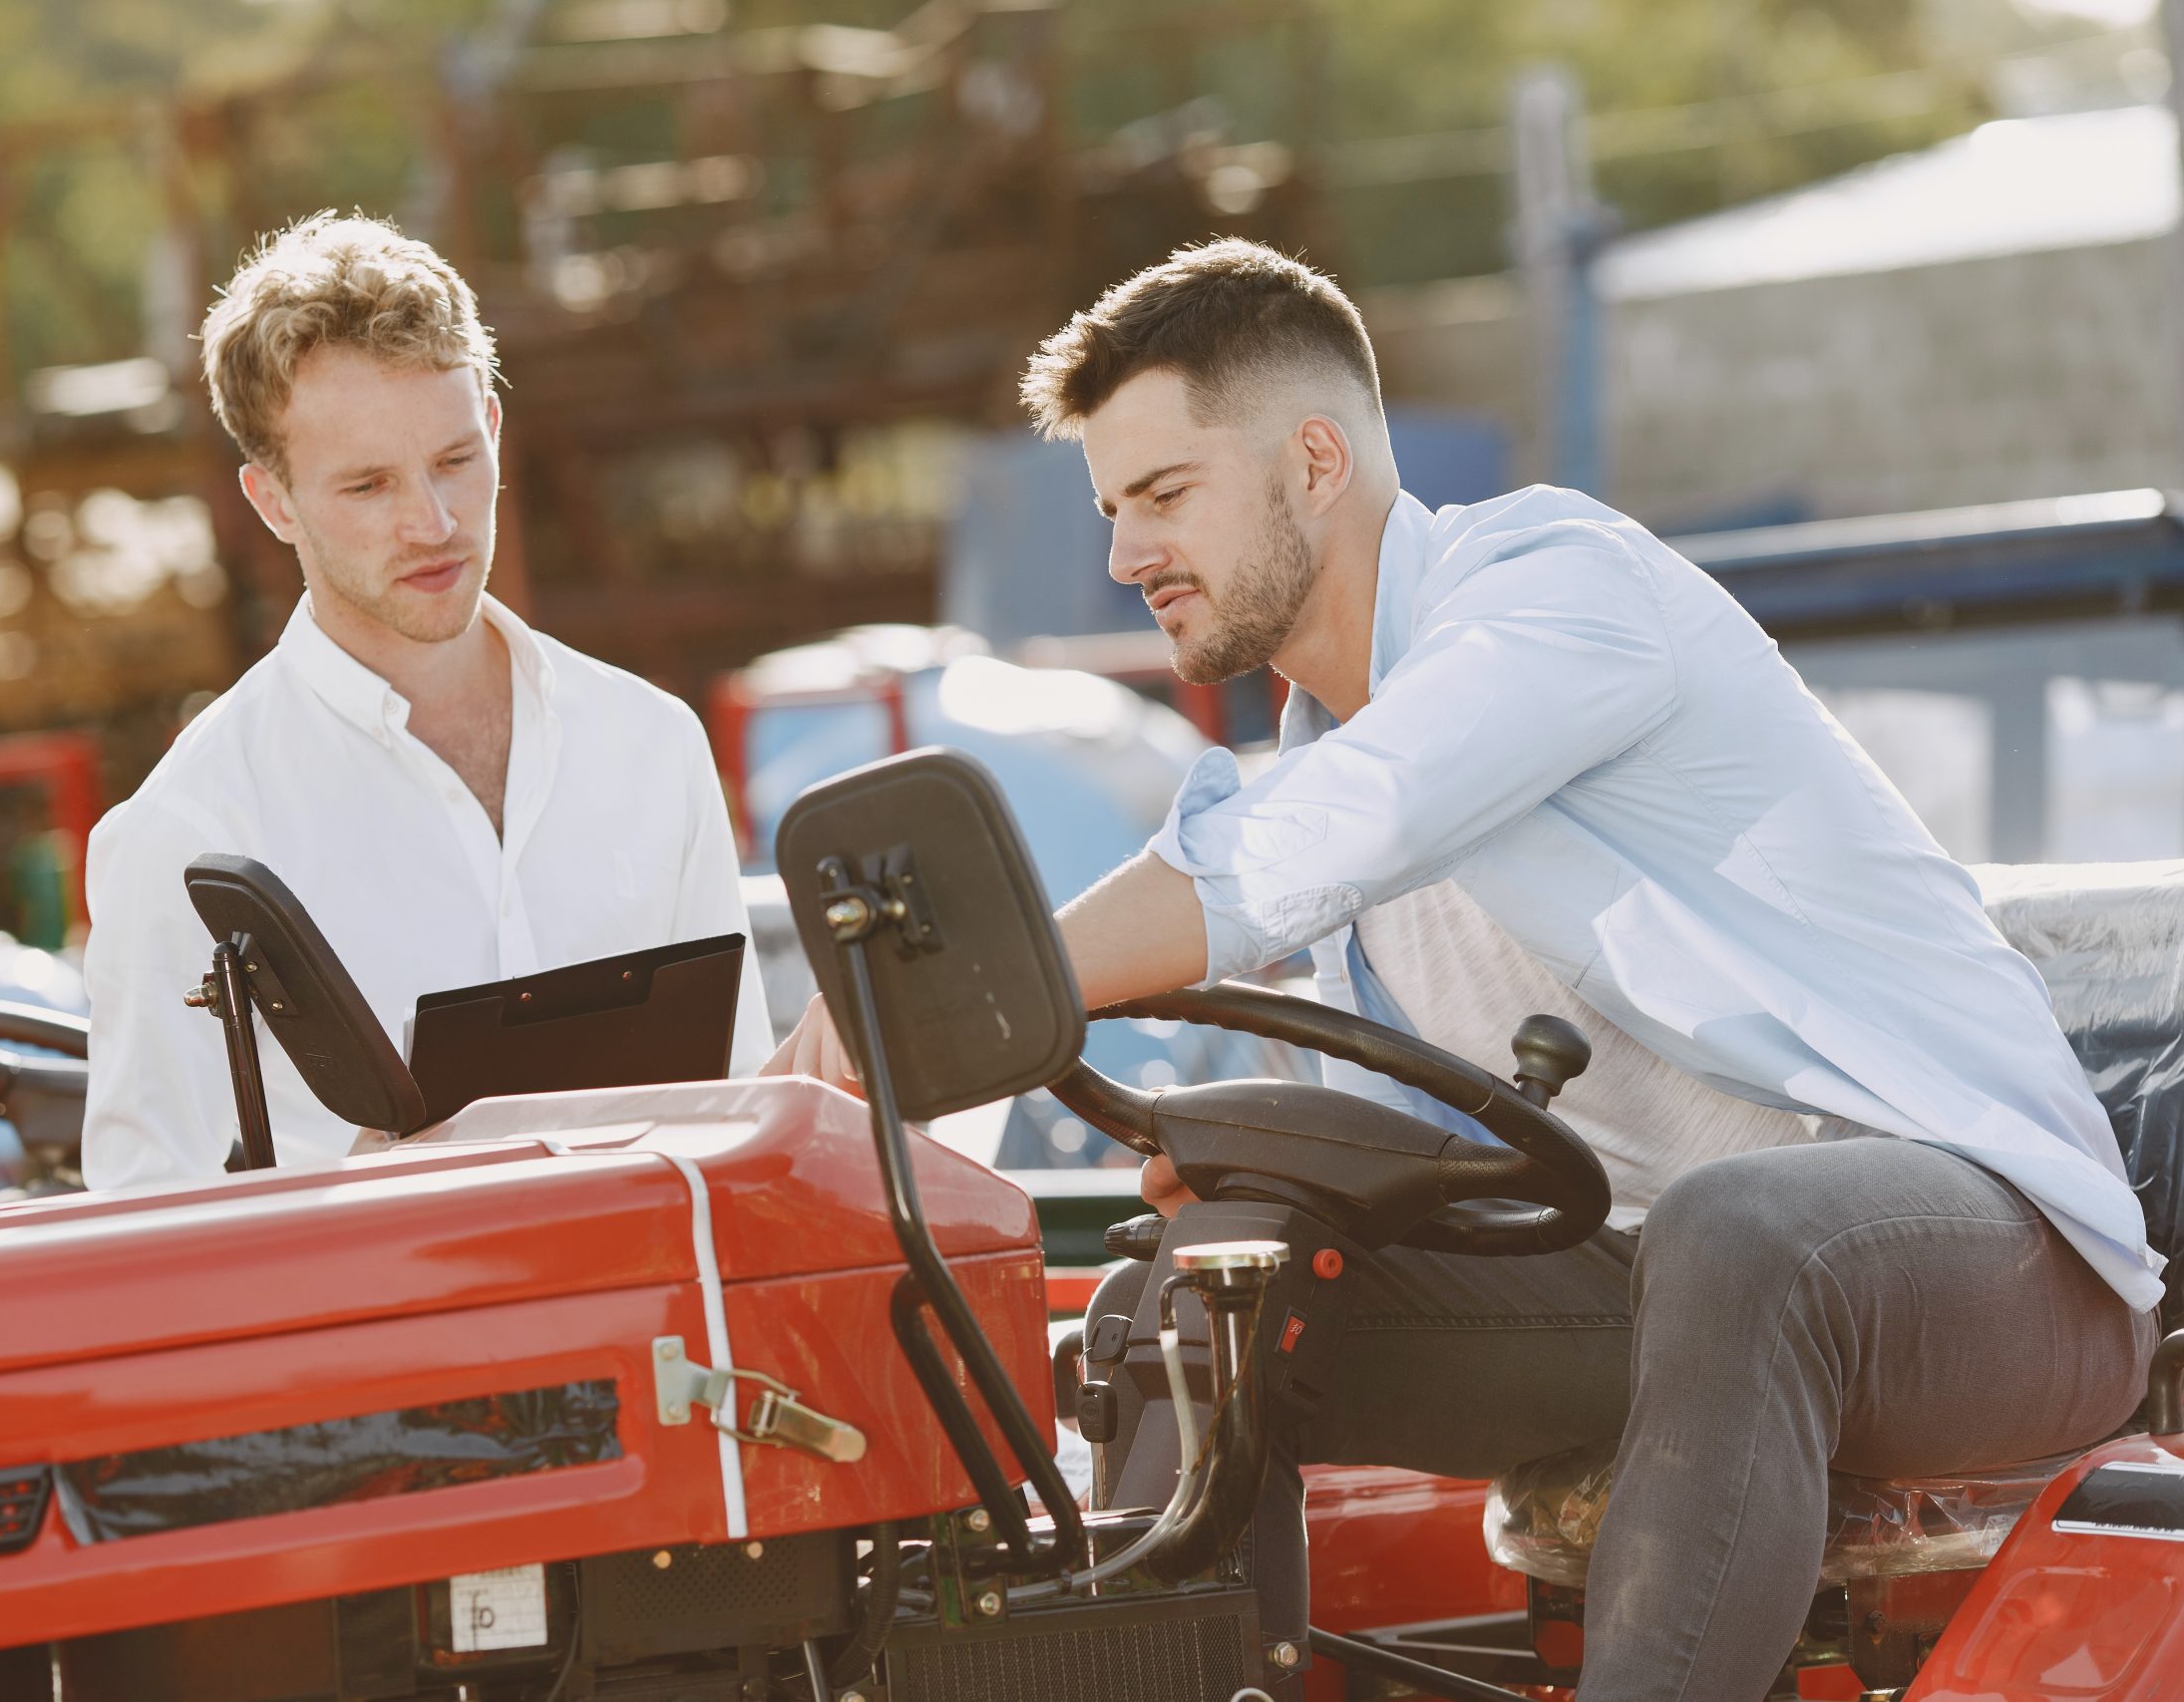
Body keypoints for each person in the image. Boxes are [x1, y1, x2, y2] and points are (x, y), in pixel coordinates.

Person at [773, 238, 2161, 1700]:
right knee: (1204, 1290)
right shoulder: (1321, 762)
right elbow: (1443, 1121)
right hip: (1649, 1289)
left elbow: (1293, 847)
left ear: (1315, 458)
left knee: (1742, 1231)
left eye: (1166, 494)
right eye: (1113, 509)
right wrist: (1276, 1167)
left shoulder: (1558, 594)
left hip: (2002, 1268)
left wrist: (964, 993)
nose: (1126, 554)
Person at [84, 212, 769, 1189]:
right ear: (272, 502)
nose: (434, 523)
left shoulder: (650, 745)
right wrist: (354, 1202)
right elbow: (138, 1223)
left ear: (492, 424)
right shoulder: (193, 830)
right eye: (367, 486)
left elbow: (737, 1114)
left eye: (454, 460)